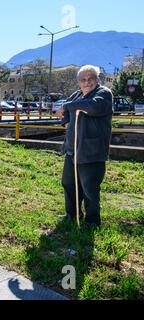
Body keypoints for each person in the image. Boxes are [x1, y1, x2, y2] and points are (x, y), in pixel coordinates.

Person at [56, 65, 113, 228]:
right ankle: (72, 214)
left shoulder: (104, 93)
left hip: (91, 151)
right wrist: (65, 118)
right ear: (79, 82)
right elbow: (65, 113)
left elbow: (93, 107)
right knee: (68, 184)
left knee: (90, 188)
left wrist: (67, 106)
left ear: (97, 80)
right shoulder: (76, 95)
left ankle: (92, 222)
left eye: (90, 79)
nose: (87, 82)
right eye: (83, 79)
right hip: (71, 150)